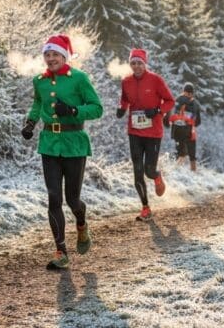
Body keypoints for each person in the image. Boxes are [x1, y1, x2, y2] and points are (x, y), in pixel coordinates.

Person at [21, 34, 103, 269]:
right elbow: (38, 103)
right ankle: (61, 251)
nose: (50, 58)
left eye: (55, 54)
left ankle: (81, 224)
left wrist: (74, 110)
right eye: (47, 54)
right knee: (54, 198)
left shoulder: (79, 78)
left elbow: (97, 108)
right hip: (49, 144)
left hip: (74, 143)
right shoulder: (39, 81)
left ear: (64, 56)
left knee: (72, 199)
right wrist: (30, 123)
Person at [116, 48, 175, 221]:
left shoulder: (156, 80)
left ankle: (156, 177)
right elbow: (125, 99)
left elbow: (170, 101)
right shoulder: (126, 81)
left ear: (145, 64)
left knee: (149, 170)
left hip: (153, 132)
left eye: (139, 63)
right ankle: (145, 208)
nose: (136, 66)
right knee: (137, 170)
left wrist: (157, 110)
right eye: (133, 63)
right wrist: (122, 108)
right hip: (134, 131)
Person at [165, 83, 202, 172]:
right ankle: (192, 171)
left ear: (183, 91)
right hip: (189, 131)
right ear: (192, 93)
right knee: (191, 154)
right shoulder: (195, 103)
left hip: (177, 131)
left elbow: (168, 115)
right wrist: (191, 122)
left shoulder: (176, 101)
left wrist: (168, 123)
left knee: (180, 152)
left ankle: (173, 167)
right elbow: (198, 122)